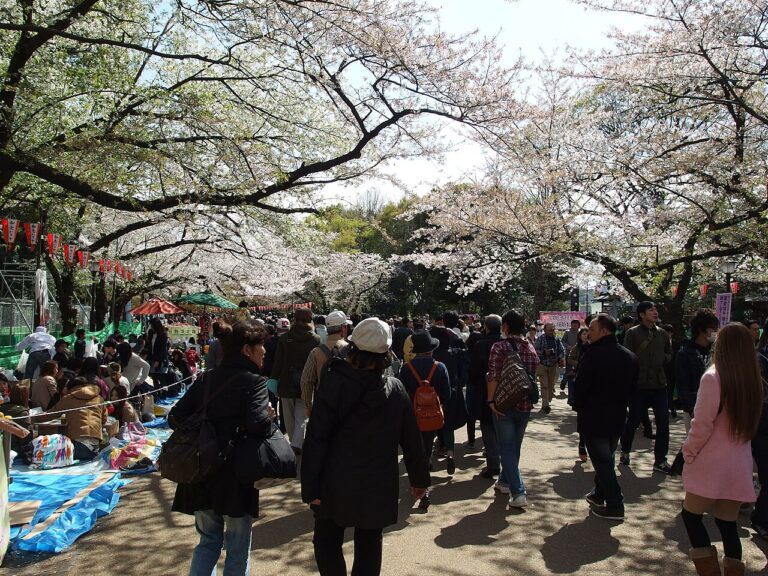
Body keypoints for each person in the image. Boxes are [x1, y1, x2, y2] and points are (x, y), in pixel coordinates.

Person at [301, 318, 430, 576]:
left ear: (353, 346)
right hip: (377, 480)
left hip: (334, 477)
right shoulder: (394, 389)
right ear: (386, 352)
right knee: (370, 542)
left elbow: (316, 436)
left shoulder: (333, 381)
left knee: (327, 539)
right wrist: (419, 480)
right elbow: (412, 439)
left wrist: (310, 485)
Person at [170, 321, 273, 576]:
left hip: (201, 469)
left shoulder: (206, 379)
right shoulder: (254, 382)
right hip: (234, 475)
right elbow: (258, 425)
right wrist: (268, 416)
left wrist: (205, 431)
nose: (265, 351)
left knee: (207, 542)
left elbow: (175, 417)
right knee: (237, 547)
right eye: (261, 346)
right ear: (247, 350)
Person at [680, 323, 763, 576]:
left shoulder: (714, 376)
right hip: (739, 463)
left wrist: (688, 452)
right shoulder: (753, 379)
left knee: (691, 516)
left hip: (711, 461)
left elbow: (702, 423)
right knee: (727, 524)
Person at [573, 314, 638, 521]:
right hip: (618, 416)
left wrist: (578, 406)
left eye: (591, 329)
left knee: (603, 462)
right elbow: (633, 389)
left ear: (604, 331)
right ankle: (598, 494)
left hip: (594, 417)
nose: (588, 333)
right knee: (606, 458)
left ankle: (615, 504)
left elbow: (581, 387)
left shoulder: (592, 355)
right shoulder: (629, 356)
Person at [487, 309, 539, 508]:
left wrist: (491, 401)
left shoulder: (499, 347)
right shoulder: (530, 346)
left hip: (503, 404)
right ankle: (504, 481)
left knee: (507, 447)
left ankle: (518, 492)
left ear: (506, 326)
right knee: (514, 446)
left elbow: (493, 376)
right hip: (524, 404)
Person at [398, 330, 451, 509]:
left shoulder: (406, 368)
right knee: (426, 448)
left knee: (412, 451)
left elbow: (400, 394)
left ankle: (417, 483)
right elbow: (446, 394)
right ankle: (423, 487)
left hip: (411, 417)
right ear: (431, 349)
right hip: (432, 417)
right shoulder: (440, 367)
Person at [619, 301, 673, 474]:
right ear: (642, 314)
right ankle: (625, 450)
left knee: (663, 424)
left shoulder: (662, 334)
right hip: (639, 386)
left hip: (659, 384)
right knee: (634, 421)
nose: (655, 312)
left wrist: (662, 359)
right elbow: (627, 356)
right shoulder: (632, 333)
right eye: (651, 310)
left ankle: (660, 460)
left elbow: (669, 353)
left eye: (655, 309)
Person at [670, 309, 719, 476]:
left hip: (718, 409)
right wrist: (693, 411)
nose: (715, 332)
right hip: (695, 409)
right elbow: (683, 386)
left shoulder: (718, 351)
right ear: (702, 329)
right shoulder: (685, 353)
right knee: (698, 448)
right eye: (713, 328)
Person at [270, 308, 320, 455]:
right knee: (302, 417)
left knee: (289, 417)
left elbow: (277, 362)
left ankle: (294, 444)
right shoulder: (315, 339)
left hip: (285, 383)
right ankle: (297, 444)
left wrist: (273, 379)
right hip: (307, 384)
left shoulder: (284, 338)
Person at [35, 376, 107, 461]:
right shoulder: (99, 399)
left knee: (44, 451)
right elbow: (104, 420)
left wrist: (32, 417)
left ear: (70, 387)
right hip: (95, 448)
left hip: (77, 447)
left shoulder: (69, 398)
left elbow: (50, 415)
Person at [468, 314, 503, 478]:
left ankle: (493, 464)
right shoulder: (506, 343)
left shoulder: (480, 345)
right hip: (505, 392)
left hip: (484, 392)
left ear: (486, 327)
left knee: (488, 427)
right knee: (503, 427)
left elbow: (473, 372)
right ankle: (503, 462)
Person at [301, 310, 351, 415]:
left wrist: (308, 407)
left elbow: (306, 381)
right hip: (348, 406)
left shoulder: (315, 352)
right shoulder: (352, 351)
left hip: (323, 406)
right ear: (343, 328)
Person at [533, 322, 565, 414]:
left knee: (551, 386)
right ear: (545, 329)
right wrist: (544, 352)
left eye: (553, 328)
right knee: (544, 386)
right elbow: (534, 350)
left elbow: (562, 351)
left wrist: (559, 357)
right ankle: (545, 405)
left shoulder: (557, 339)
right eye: (550, 328)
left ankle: (548, 400)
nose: (551, 330)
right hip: (542, 365)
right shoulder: (540, 339)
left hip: (553, 366)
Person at [560, 319, 581, 390]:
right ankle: (564, 382)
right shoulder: (567, 332)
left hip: (578, 355)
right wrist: (567, 346)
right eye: (573, 324)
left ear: (579, 325)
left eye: (576, 324)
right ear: (571, 325)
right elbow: (562, 341)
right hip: (569, 354)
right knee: (568, 370)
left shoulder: (580, 332)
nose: (575, 325)